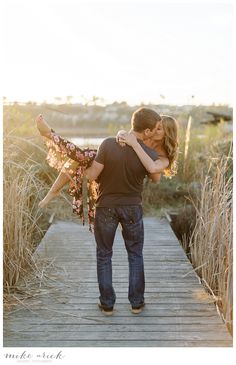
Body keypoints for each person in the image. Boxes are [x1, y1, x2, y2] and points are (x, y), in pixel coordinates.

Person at [36, 108, 179, 315]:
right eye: (156, 127)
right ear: (147, 130)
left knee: (104, 255)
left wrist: (81, 171)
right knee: (135, 255)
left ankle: (107, 304)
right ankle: (136, 303)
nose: (157, 131)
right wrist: (129, 143)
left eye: (161, 129)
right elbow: (154, 177)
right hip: (132, 208)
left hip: (106, 206)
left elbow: (94, 174)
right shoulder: (148, 151)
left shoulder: (116, 145)